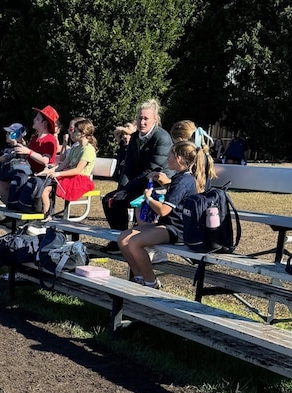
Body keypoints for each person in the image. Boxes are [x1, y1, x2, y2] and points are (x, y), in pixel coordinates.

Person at [116, 140, 203, 289]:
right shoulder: (180, 177)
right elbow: (176, 192)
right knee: (123, 239)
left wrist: (148, 198)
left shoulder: (184, 180)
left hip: (177, 229)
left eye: (170, 155)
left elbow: (163, 210)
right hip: (167, 225)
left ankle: (152, 284)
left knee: (134, 243)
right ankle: (139, 279)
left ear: (179, 159)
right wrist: (165, 183)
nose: (167, 158)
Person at [101, 99, 174, 250]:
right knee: (110, 200)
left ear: (155, 119)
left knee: (124, 199)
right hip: (139, 181)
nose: (142, 122)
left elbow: (152, 169)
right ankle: (118, 239)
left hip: (157, 184)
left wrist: (127, 190)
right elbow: (128, 166)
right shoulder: (134, 137)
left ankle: (128, 241)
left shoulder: (162, 138)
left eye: (146, 118)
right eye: (140, 118)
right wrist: (122, 188)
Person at [39, 118, 98, 217]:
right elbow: (62, 165)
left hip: (80, 180)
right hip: (70, 176)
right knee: (43, 187)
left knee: (46, 190)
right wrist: (47, 171)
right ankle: (45, 216)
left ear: (82, 133)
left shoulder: (88, 150)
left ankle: (46, 217)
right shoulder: (75, 148)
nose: (72, 133)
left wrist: (57, 174)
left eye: (75, 131)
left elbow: (77, 170)